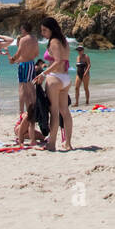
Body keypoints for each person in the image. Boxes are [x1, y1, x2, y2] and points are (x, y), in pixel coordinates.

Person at [34, 17, 74, 151]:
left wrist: (43, 73)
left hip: (55, 78)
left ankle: (51, 144)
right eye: (42, 30)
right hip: (65, 78)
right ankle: (68, 143)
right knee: (65, 111)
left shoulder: (54, 42)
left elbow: (57, 61)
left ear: (52, 29)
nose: (43, 33)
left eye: (45, 30)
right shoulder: (64, 41)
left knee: (54, 112)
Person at [11, 21, 40, 119]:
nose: (20, 31)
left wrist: (13, 59)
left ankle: (23, 111)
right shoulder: (35, 39)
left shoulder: (23, 39)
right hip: (31, 63)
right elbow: (36, 53)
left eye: (21, 29)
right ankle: (31, 109)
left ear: (24, 29)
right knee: (30, 87)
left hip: (24, 65)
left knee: (24, 88)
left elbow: (18, 53)